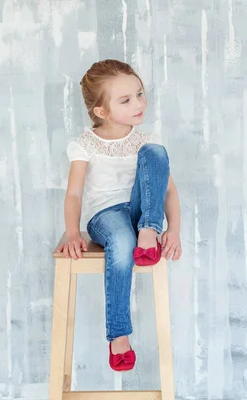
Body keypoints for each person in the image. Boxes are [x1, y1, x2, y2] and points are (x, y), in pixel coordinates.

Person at [55, 59, 182, 372]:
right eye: (126, 100)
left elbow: (168, 192)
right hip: (106, 216)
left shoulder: (146, 139)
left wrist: (174, 230)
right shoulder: (86, 144)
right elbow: (73, 194)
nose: (139, 103)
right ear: (101, 111)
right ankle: (119, 335)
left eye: (139, 94)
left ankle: (149, 230)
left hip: (143, 214)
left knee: (156, 154)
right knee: (123, 241)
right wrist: (72, 232)